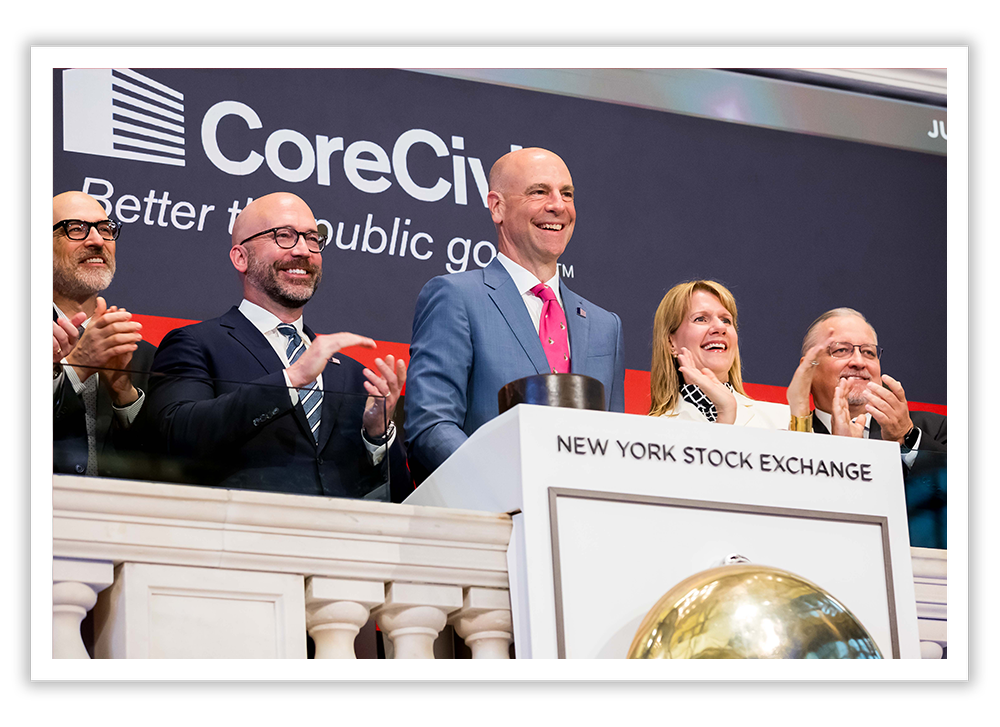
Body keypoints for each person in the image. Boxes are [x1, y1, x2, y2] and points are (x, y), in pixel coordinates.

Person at [147, 192, 407, 500]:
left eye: (313, 239)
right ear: (240, 257)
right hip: (242, 537)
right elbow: (172, 439)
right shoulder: (196, 345)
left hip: (341, 542)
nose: (302, 250)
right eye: (284, 236)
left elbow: (399, 497)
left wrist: (377, 435)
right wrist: (290, 380)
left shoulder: (353, 376)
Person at [404, 147, 626, 479]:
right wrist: (504, 485)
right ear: (497, 207)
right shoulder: (457, 297)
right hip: (490, 518)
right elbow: (431, 426)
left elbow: (613, 444)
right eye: (539, 192)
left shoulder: (605, 325)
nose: (558, 205)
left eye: (567, 194)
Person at [53, 191, 155, 477]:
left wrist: (124, 395)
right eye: (76, 229)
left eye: (105, 229)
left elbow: (162, 468)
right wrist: (75, 369)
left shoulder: (142, 354)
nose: (97, 241)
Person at [786, 307, 947, 455]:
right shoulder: (783, 442)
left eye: (868, 352)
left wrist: (905, 438)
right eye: (841, 350)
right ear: (808, 369)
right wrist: (801, 419)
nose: (859, 361)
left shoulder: (935, 430)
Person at [648, 280, 788, 427]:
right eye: (700, 319)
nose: (720, 327)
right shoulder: (650, 432)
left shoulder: (784, 420)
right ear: (671, 343)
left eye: (726, 320)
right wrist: (724, 416)